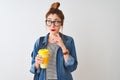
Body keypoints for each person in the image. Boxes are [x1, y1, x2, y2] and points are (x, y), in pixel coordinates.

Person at [30, 2, 78, 80]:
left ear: (61, 23)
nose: (52, 25)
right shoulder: (39, 42)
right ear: (46, 23)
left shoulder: (69, 41)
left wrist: (63, 46)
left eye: (56, 22)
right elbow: (33, 69)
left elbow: (72, 68)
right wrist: (37, 63)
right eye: (49, 21)